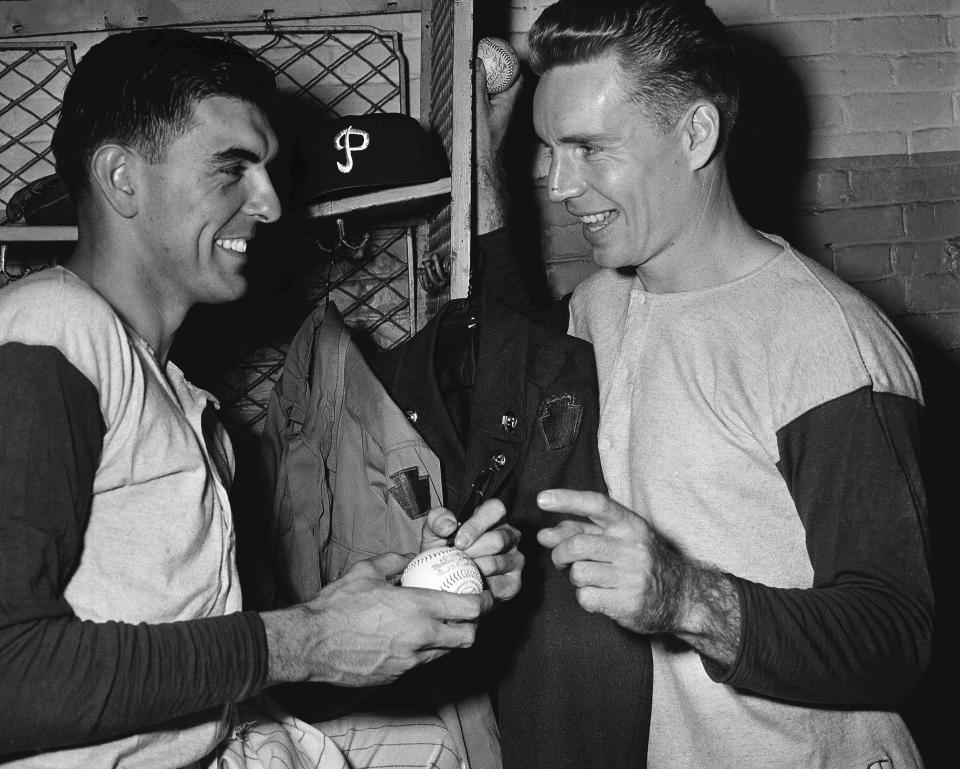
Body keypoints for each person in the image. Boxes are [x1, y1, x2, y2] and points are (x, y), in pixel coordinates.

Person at [0, 28, 522, 768]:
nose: (272, 203)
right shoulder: (51, 333)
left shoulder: (174, 388)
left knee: (444, 741)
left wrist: (396, 591)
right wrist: (307, 640)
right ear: (122, 178)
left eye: (267, 170)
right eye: (232, 168)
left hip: (220, 736)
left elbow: (182, 634)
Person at [495, 0, 931, 767]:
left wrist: (684, 597)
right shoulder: (602, 304)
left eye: (590, 148)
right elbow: (504, 361)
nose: (560, 184)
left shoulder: (828, 345)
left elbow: (895, 634)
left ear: (695, 134)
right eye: (548, 149)